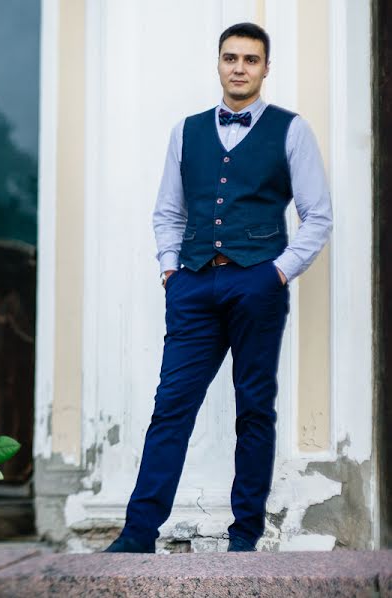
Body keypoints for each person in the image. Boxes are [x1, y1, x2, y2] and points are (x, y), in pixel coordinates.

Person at [105, 22, 333, 554]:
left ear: (265, 68)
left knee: (254, 408)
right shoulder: (186, 130)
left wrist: (277, 271)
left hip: (257, 284)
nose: (239, 67)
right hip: (193, 285)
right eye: (231, 58)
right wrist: (169, 270)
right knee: (171, 408)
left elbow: (317, 216)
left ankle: (245, 535)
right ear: (218, 63)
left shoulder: (291, 129)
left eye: (250, 60)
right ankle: (138, 534)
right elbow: (167, 210)